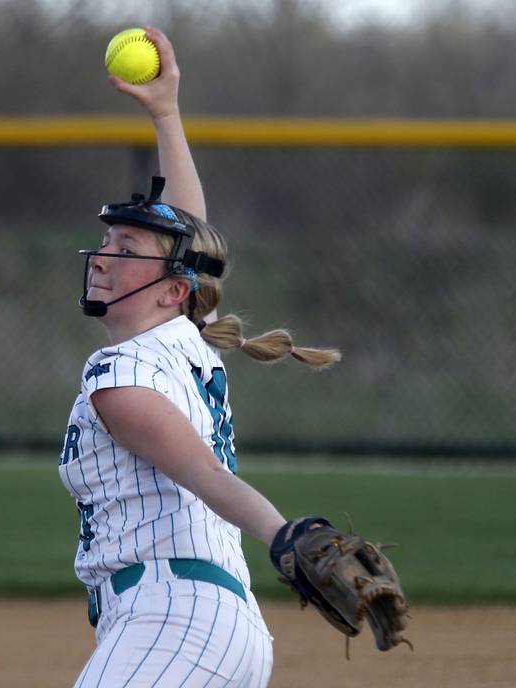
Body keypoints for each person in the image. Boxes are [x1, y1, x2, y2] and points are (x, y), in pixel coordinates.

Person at [58, 27, 340, 688]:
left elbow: (205, 474)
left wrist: (285, 536)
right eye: (107, 242)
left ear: (173, 291)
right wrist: (165, 113)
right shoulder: (182, 335)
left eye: (127, 249)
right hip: (212, 627)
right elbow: (185, 228)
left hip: (173, 619)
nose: (105, 256)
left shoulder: (117, 377)